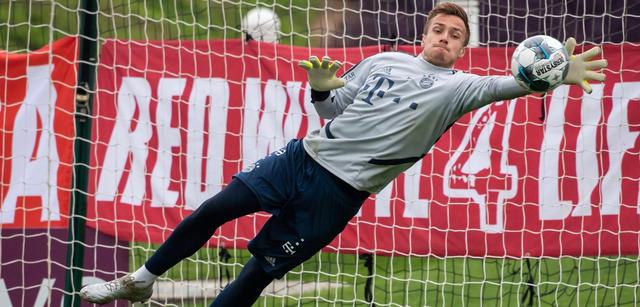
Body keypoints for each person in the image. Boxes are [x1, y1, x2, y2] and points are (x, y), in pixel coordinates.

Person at [80, 2, 607, 306]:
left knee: (256, 274)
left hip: (337, 196)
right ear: (424, 35)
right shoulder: (384, 60)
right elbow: (334, 110)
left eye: (455, 36)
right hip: (301, 159)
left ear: (463, 50)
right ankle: (141, 281)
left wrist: (560, 75)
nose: (445, 39)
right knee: (214, 210)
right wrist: (320, 86)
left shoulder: (461, 87)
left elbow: (512, 83)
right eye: (439, 30)